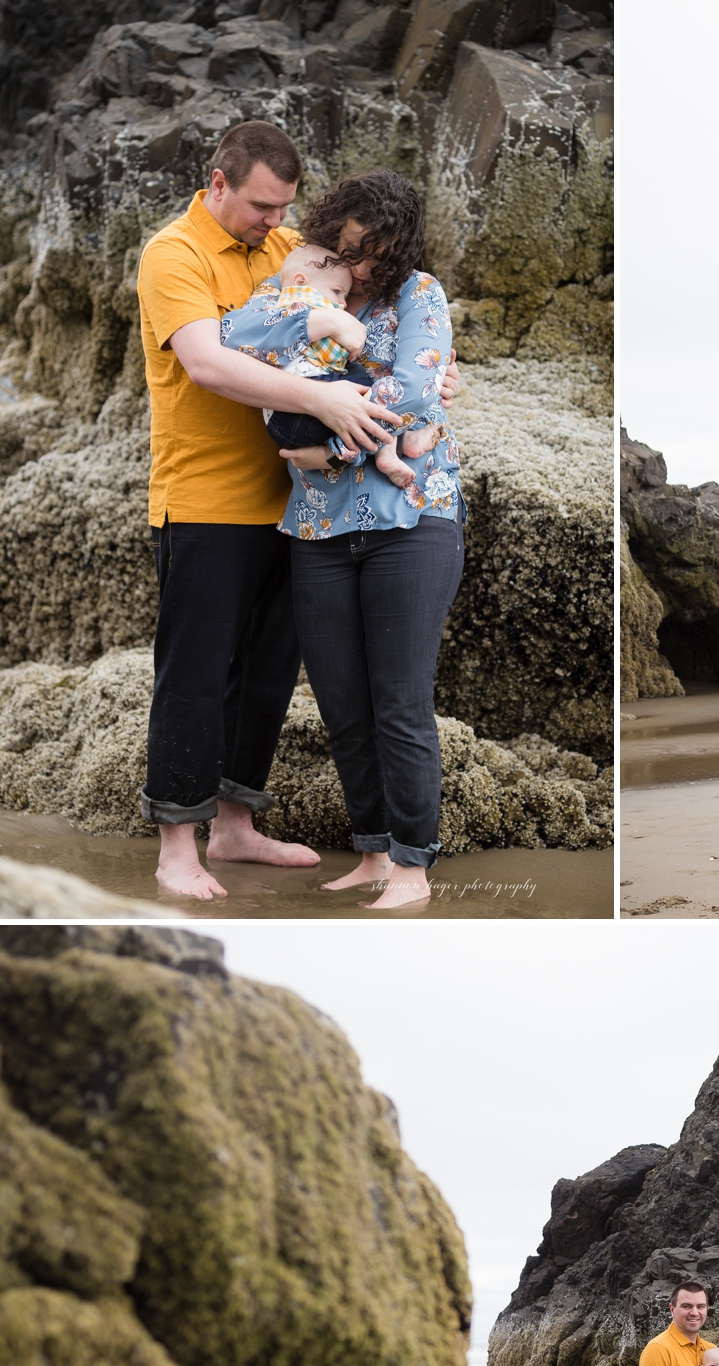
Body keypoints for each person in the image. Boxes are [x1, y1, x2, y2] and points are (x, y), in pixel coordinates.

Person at [134, 121, 405, 900]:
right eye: (261, 206)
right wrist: (317, 395)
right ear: (218, 182)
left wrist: (425, 381)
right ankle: (177, 848)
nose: (274, 221)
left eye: (286, 207)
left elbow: (355, 328)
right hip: (204, 500)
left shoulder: (281, 252)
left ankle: (235, 824)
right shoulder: (172, 254)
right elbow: (209, 362)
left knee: (264, 675)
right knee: (193, 674)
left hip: (291, 506)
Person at [235, 168, 464, 909]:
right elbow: (239, 337)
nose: (362, 266)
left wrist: (326, 441)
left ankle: (411, 866)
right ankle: (370, 851)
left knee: (398, 699)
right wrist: (317, 333)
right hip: (318, 527)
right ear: (335, 226)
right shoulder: (300, 276)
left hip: (412, 519)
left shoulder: (418, 293)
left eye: (378, 255)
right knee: (341, 700)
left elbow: (420, 389)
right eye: (354, 245)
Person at [235, 242, 431, 492]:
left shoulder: (277, 298)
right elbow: (232, 335)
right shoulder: (307, 299)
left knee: (360, 389)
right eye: (337, 291)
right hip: (300, 411)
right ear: (300, 281)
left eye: (344, 295)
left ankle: (391, 443)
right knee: (371, 389)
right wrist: (327, 321)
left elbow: (238, 333)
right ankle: (393, 445)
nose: (341, 303)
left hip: (278, 420)